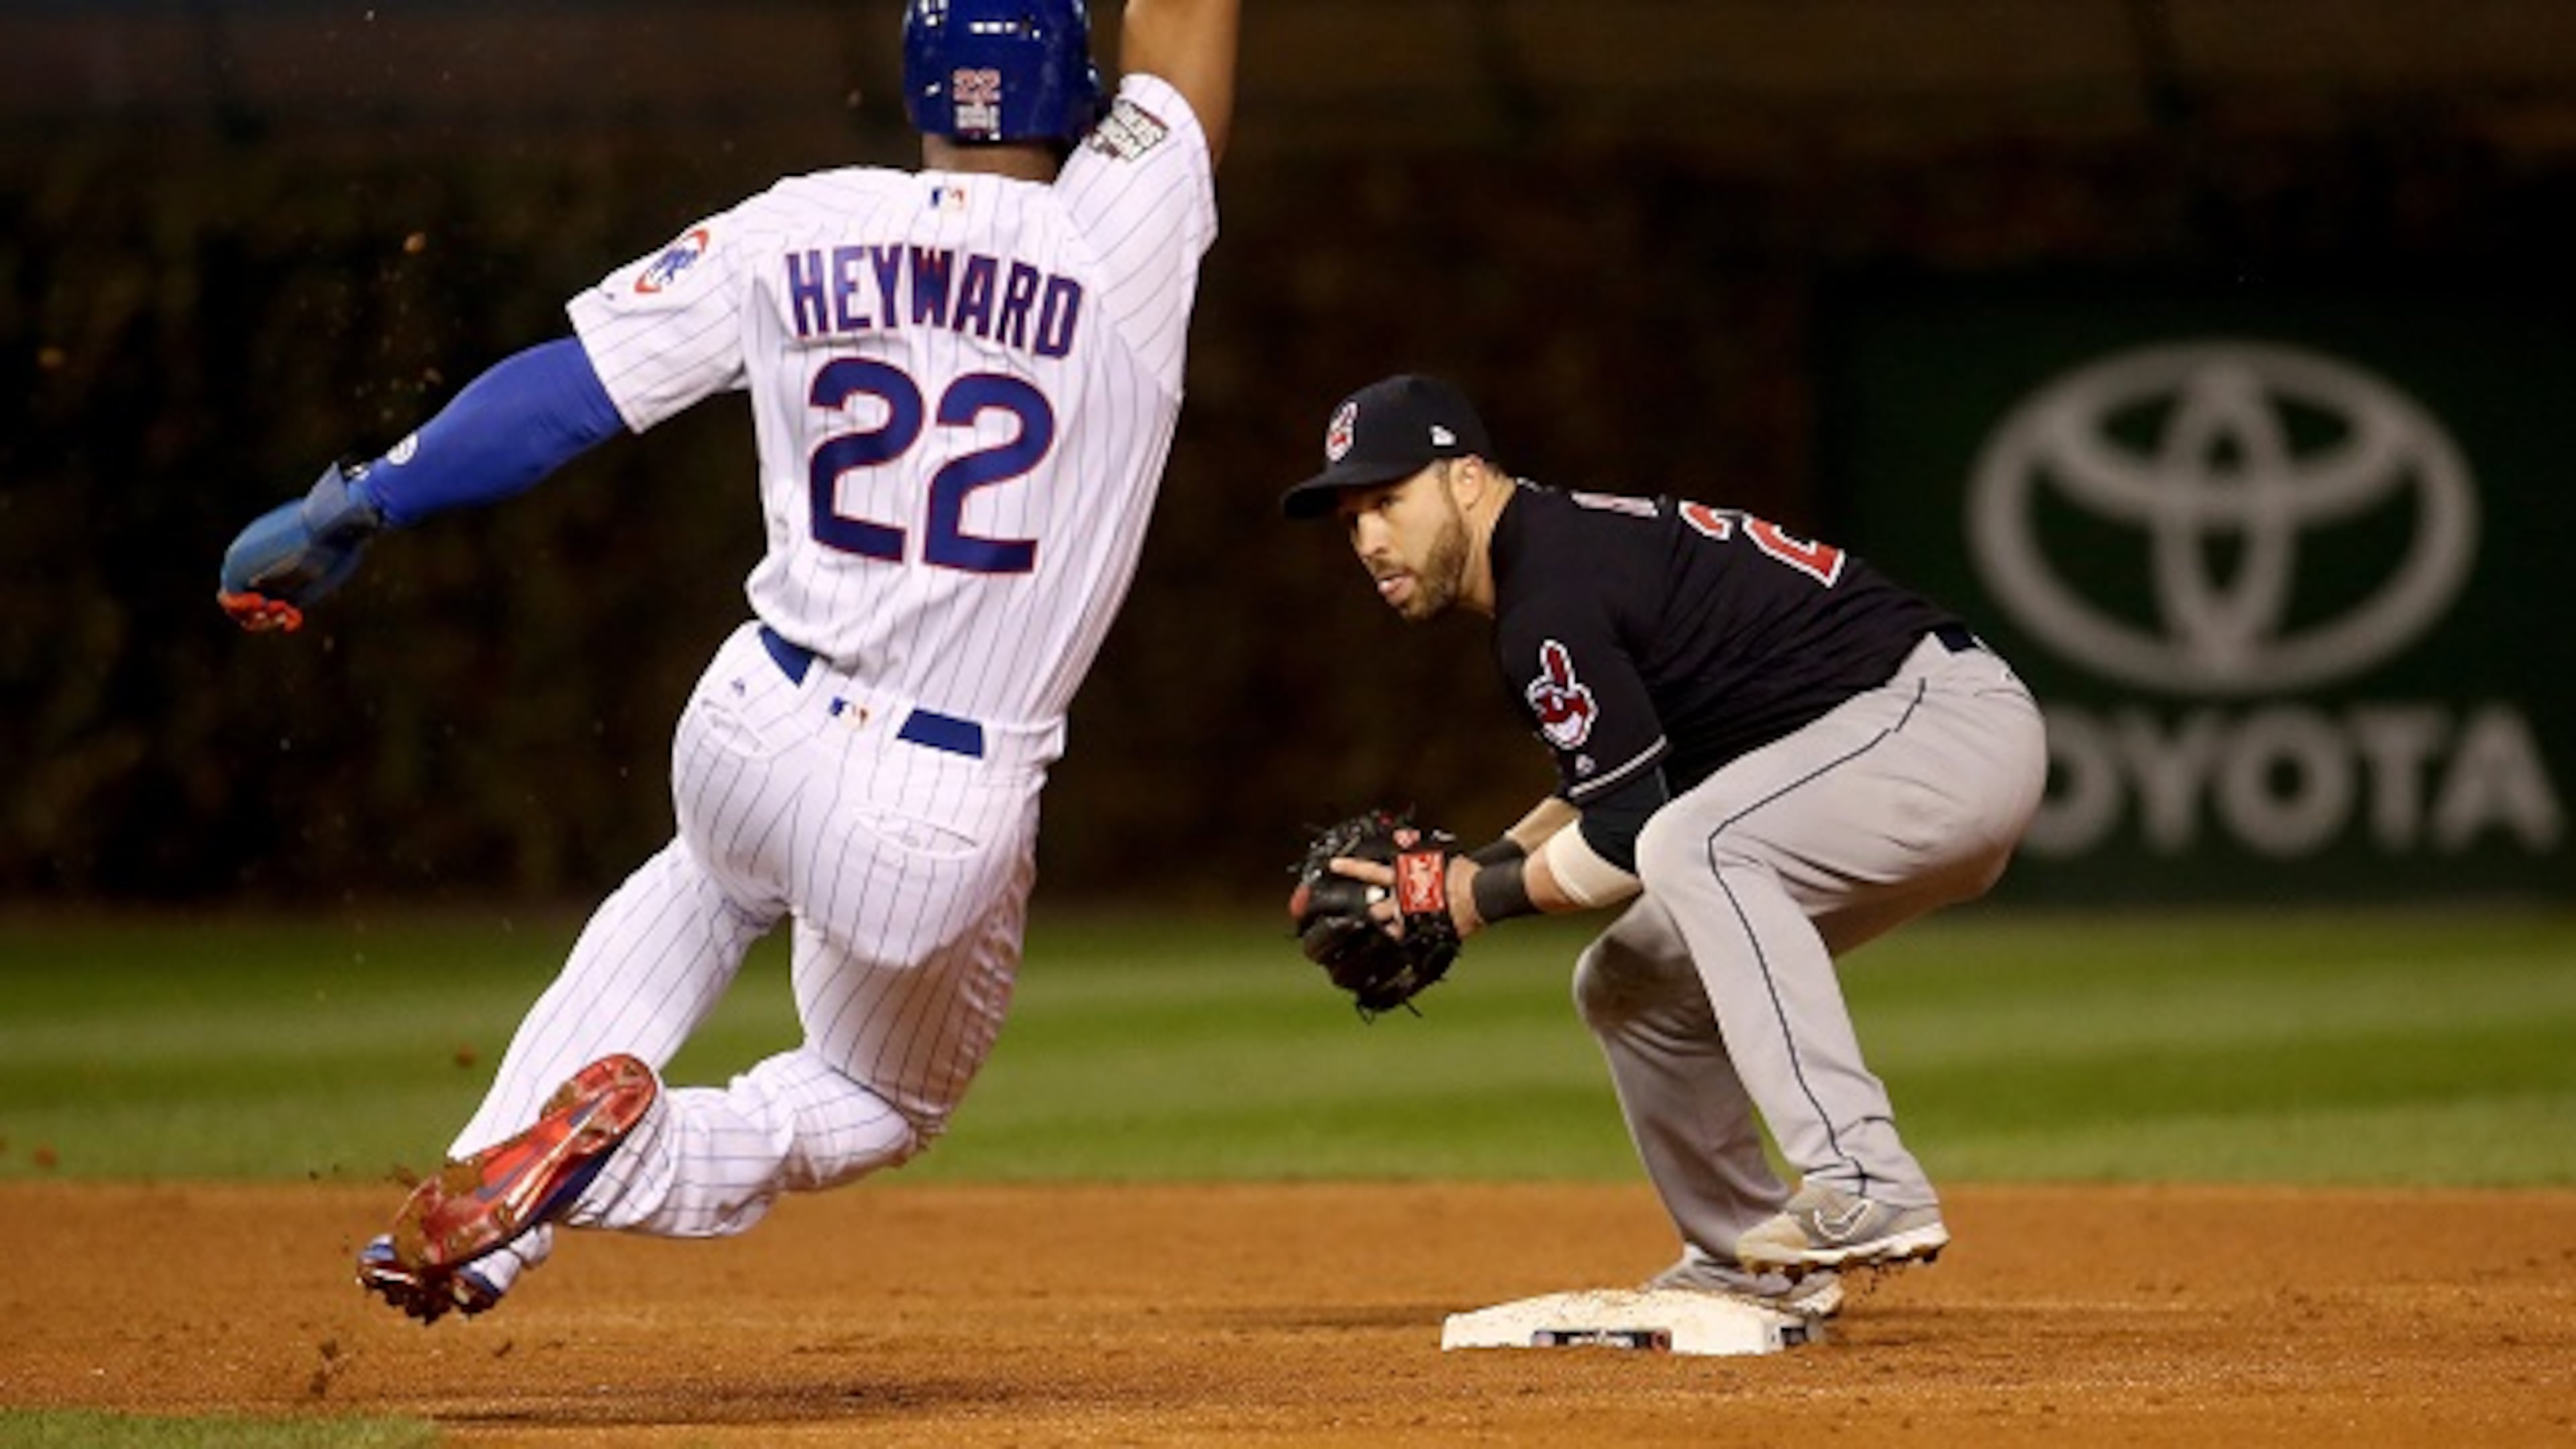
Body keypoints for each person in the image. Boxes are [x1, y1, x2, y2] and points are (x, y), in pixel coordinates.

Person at [215, 0, 1242, 1324]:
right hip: (937, 801)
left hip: (755, 719)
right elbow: (1184, 21)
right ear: (1078, 92)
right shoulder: (1124, 228)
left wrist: (357, 501)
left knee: (707, 879)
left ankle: (490, 1217)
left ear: (917, 82)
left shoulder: (799, 221)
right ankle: (607, 1164)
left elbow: (567, 393)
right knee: (881, 1097)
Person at [1279, 374, 2047, 1319]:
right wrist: (1470, 870)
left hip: (1941, 728)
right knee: (1631, 982)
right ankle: (1751, 1261)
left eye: (1390, 501)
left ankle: (1865, 1178)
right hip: (1884, 757)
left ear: (1469, 479)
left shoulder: (1550, 592)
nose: (1369, 540)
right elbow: (1605, 795)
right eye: (1351, 520)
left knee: (1698, 845)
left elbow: (1630, 840)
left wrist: (1471, 898)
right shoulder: (1556, 563)